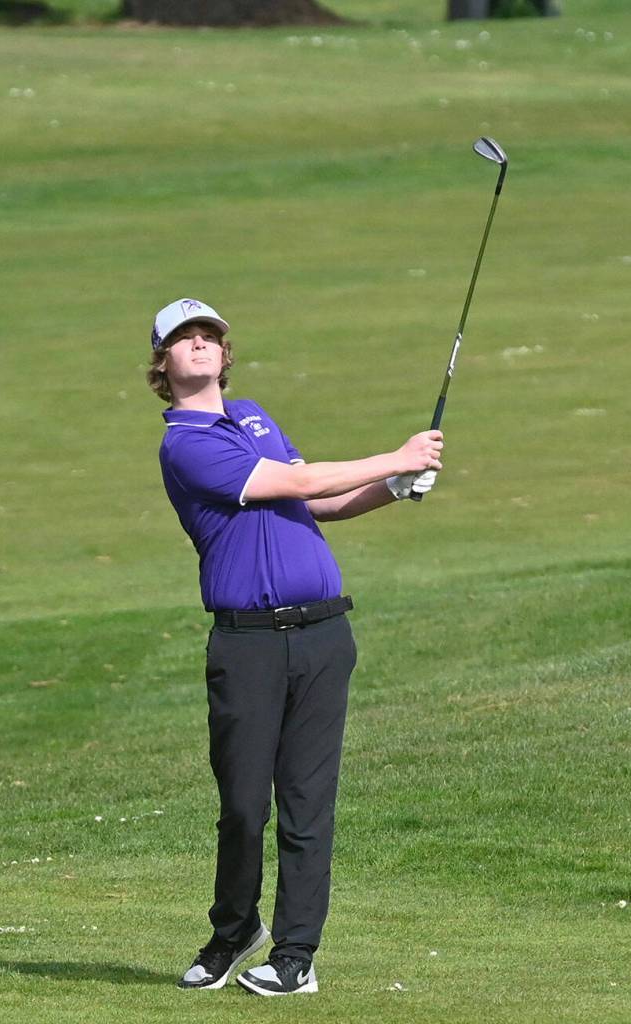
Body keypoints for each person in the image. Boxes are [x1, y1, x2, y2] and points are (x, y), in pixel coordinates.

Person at [147, 297, 443, 996]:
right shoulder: (184, 445)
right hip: (247, 643)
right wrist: (396, 455)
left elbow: (319, 503)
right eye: (183, 338)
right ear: (162, 363)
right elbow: (295, 481)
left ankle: (296, 956)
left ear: (225, 353)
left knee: (308, 804)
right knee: (244, 806)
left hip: (323, 635)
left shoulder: (254, 415)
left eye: (209, 335)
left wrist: (394, 486)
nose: (199, 343)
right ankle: (233, 930)